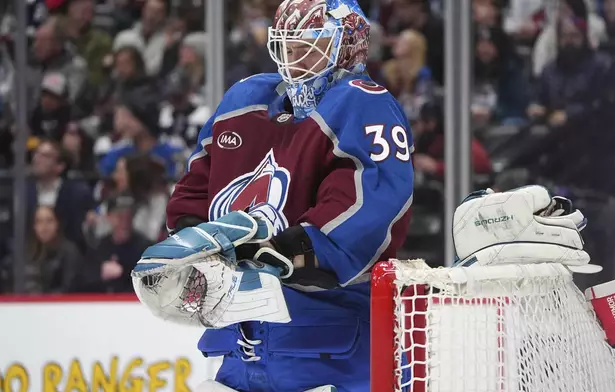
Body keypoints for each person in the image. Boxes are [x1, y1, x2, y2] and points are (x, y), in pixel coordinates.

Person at [132, 1, 414, 391]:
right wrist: (194, 242)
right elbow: (195, 186)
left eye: (307, 46)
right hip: (236, 345)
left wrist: (290, 250)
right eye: (288, 46)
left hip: (327, 347)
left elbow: (370, 204)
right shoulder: (245, 99)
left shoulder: (363, 100)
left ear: (347, 44)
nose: (293, 58)